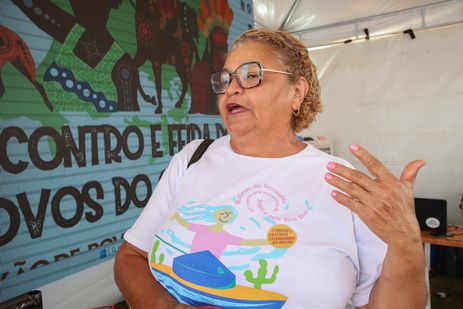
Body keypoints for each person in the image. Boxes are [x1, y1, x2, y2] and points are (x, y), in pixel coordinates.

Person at [114, 29, 427, 309]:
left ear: (296, 92)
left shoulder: (341, 181)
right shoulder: (193, 157)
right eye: (225, 80)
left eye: (251, 75)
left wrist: (407, 246)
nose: (231, 90)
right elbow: (131, 257)